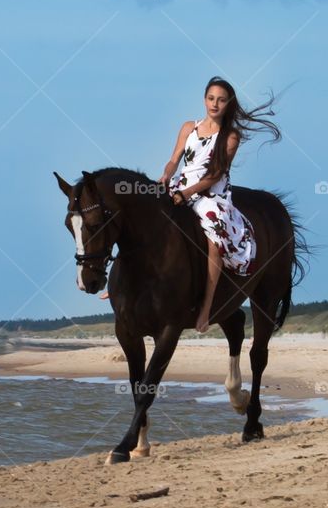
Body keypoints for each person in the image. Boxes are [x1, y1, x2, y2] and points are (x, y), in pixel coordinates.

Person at [101, 76, 282, 334]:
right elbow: (174, 160)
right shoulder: (188, 127)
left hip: (211, 195)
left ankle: (206, 310)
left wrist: (188, 194)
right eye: (211, 99)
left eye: (221, 100)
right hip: (180, 185)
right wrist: (166, 175)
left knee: (214, 242)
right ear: (204, 100)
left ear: (228, 104)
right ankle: (120, 284)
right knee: (143, 222)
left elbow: (215, 174)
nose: (215, 104)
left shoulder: (230, 136)